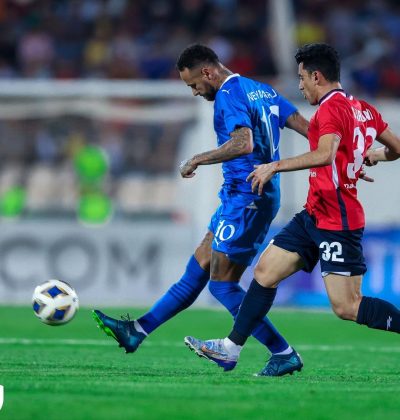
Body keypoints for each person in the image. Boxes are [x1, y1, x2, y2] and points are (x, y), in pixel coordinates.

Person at [93, 44, 309, 376]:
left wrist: (196, 158)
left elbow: (243, 143)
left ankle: (283, 352)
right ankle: (137, 331)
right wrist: (339, 149)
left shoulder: (228, 94)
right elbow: (306, 127)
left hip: (248, 198)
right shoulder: (262, 90)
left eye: (194, 84)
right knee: (198, 268)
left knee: (222, 285)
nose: (195, 92)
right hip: (241, 196)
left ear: (207, 71)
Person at [185, 43, 400, 375]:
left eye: (302, 78)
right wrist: (370, 156)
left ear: (317, 76)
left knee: (347, 306)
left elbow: (324, 154)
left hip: (337, 219)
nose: (300, 86)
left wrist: (275, 166)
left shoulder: (330, 109)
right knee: (264, 273)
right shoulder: (364, 109)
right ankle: (233, 348)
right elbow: (396, 148)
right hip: (314, 212)